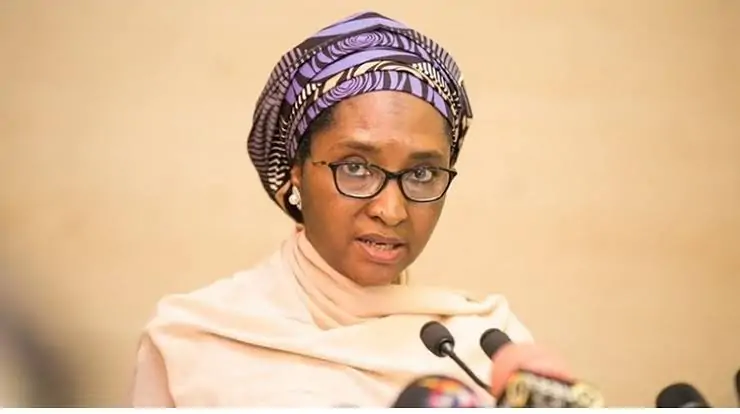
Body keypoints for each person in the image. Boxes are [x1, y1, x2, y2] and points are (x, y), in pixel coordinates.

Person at [130, 11, 533, 407]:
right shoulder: (193, 342)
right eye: (355, 168)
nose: (391, 210)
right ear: (297, 173)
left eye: (422, 173)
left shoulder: (488, 350)